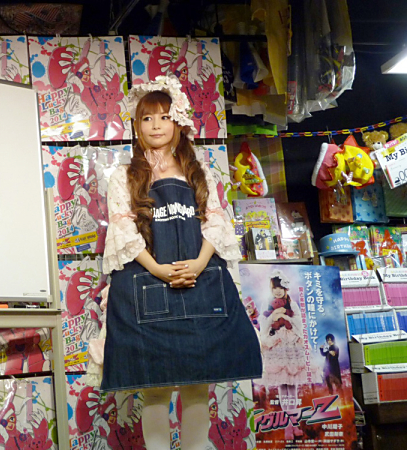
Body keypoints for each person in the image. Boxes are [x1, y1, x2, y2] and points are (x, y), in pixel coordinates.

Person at [100, 75, 262, 450]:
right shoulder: (125, 176)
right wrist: (158, 269)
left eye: (164, 117)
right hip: (148, 287)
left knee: (196, 387)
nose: (155, 125)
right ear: (136, 126)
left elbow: (216, 222)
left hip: (199, 284)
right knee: (155, 389)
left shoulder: (198, 172)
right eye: (146, 118)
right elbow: (123, 230)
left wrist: (200, 263)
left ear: (178, 123)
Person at [258, 269, 307, 441]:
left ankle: (292, 426)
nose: (277, 291)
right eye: (274, 288)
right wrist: (273, 315)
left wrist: (286, 316)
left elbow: (300, 325)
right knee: (282, 388)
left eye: (280, 287)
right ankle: (289, 426)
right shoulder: (267, 304)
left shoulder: (292, 304)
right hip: (276, 348)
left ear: (285, 288)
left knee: (292, 389)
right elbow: (263, 327)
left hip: (291, 349)